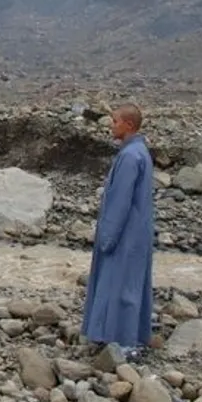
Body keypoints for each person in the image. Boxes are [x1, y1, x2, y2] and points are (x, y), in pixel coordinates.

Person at [81, 103, 155, 360]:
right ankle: (130, 336)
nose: (111, 126)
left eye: (115, 121)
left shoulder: (130, 157)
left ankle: (121, 341)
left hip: (125, 233)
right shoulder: (139, 152)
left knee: (119, 284)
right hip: (138, 231)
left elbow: (120, 200)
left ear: (129, 125)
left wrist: (108, 236)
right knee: (131, 283)